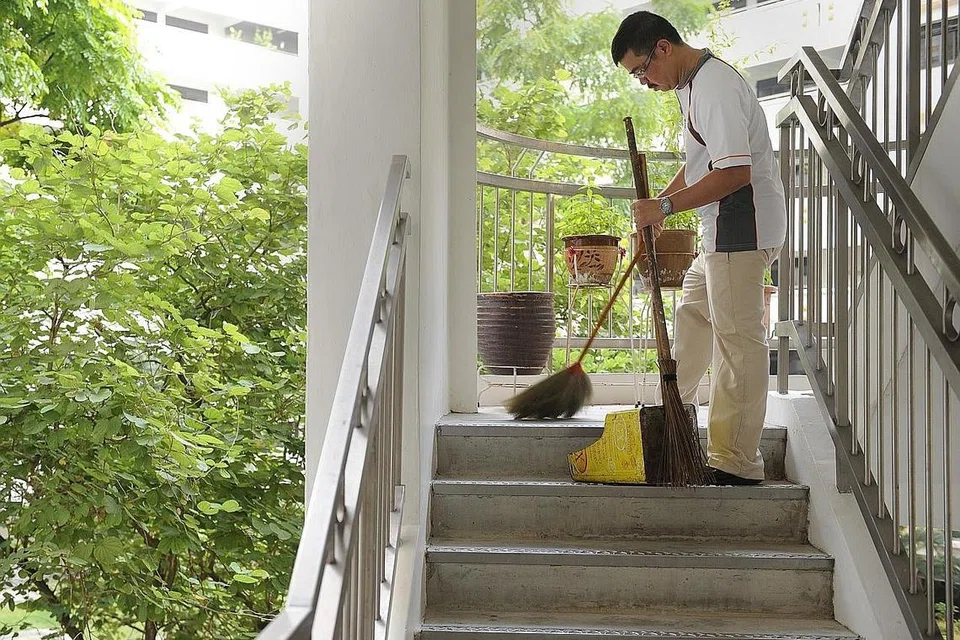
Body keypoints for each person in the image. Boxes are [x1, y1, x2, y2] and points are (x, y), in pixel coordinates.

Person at [611, 11, 786, 485]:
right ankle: (673, 417)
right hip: (719, 233)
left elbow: (734, 172)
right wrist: (655, 209)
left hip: (740, 229)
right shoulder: (691, 88)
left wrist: (665, 209)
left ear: (663, 48)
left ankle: (735, 461)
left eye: (641, 70)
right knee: (693, 313)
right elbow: (699, 164)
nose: (643, 81)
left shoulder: (715, 87)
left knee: (738, 343)